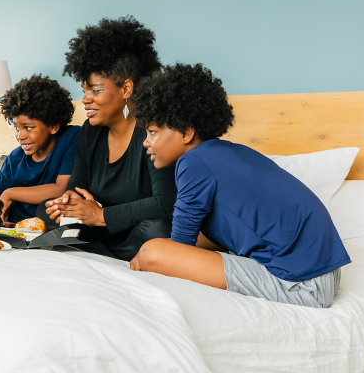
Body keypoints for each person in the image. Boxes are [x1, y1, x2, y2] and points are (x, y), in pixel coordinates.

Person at [129, 63, 349, 308]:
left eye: (152, 132)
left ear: (187, 132)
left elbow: (179, 248)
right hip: (322, 275)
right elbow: (208, 236)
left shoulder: (192, 163)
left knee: (152, 252)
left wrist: (151, 259)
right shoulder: (231, 153)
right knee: (165, 244)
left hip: (298, 283)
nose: (146, 143)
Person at [44, 15, 176, 259]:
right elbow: (77, 186)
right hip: (98, 233)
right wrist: (69, 200)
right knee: (48, 215)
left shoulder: (155, 132)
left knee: (159, 228)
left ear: (126, 88)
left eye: (95, 90)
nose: (85, 99)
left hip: (138, 236)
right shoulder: (90, 131)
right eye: (84, 90)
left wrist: (100, 215)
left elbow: (165, 203)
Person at [0, 74, 79, 224]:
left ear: (53, 126)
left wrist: (10, 193)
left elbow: (62, 188)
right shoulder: (15, 159)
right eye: (16, 128)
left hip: (51, 228)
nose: (20, 136)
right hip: (16, 230)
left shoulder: (70, 138)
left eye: (28, 127)